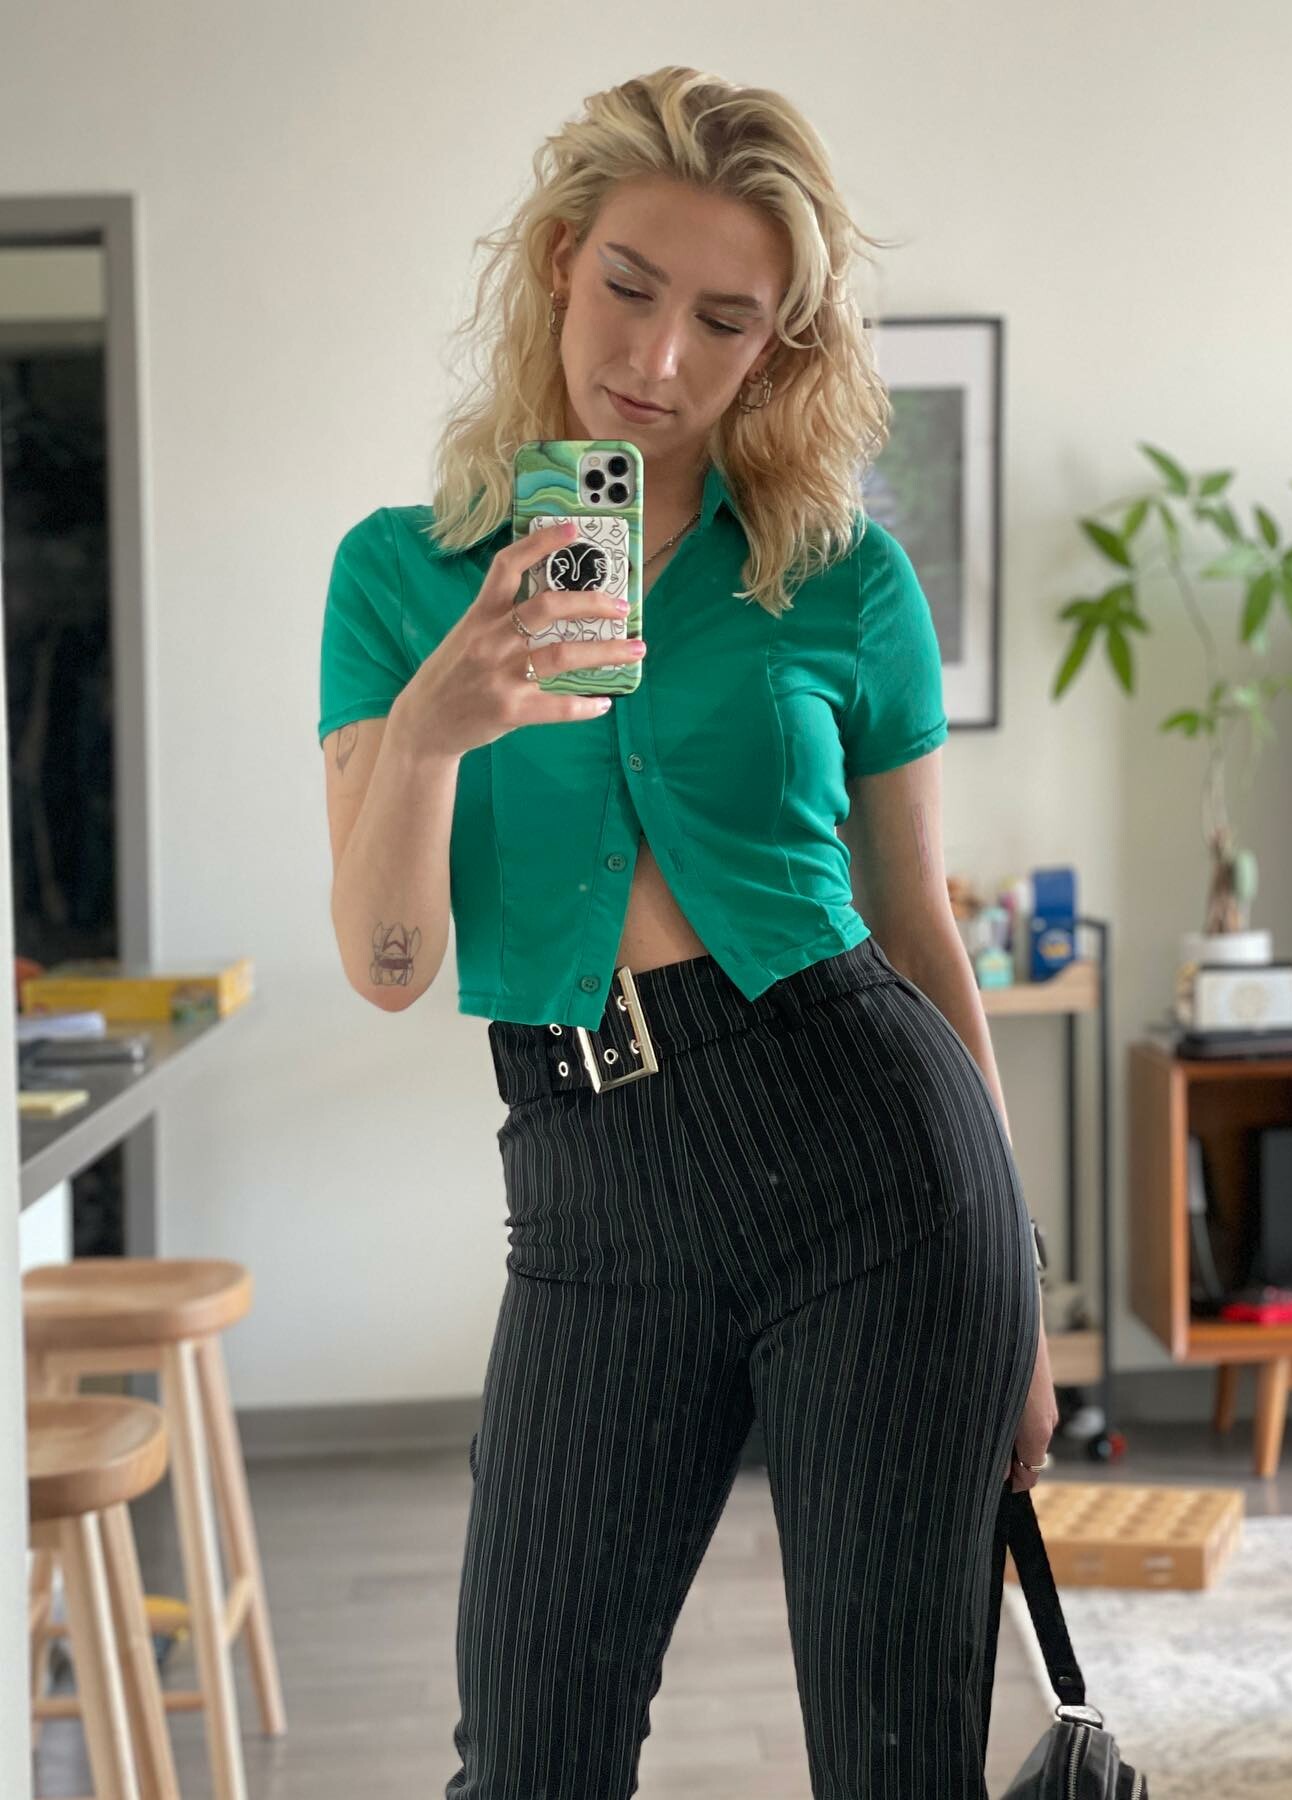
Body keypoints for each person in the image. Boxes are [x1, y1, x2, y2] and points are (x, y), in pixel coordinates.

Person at [318, 64, 1056, 1800]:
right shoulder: (400, 574)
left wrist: (1021, 1293)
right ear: (560, 264)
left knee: (898, 1759)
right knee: (531, 1757)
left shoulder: (845, 579)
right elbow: (386, 967)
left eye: (723, 321)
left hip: (872, 1154)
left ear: (777, 348)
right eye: (630, 289)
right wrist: (432, 731)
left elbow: (919, 933)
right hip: (585, 1183)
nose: (656, 358)